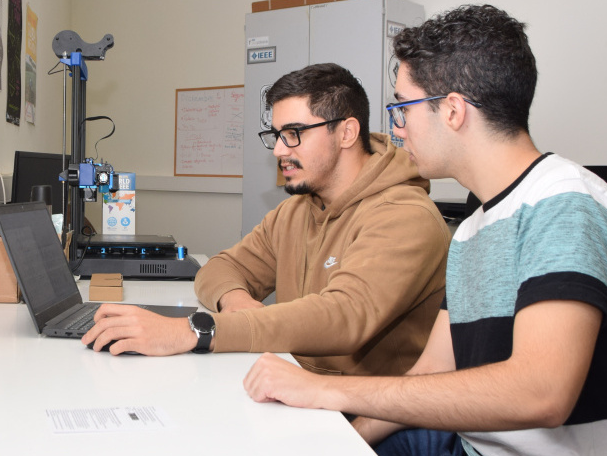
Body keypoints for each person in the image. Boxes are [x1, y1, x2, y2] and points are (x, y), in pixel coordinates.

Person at [242, 5, 607, 456]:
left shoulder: (565, 204)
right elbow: (431, 373)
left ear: (452, 110)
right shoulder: (475, 227)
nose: (395, 128)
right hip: (476, 448)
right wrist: (344, 440)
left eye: (401, 107)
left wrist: (329, 393)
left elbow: (541, 393)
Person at [83, 62, 450, 379]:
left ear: (347, 132)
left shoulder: (404, 216)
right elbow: (219, 268)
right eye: (276, 136)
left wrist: (196, 331)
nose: (278, 150)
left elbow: (344, 317)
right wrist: (235, 298)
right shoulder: (297, 210)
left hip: (364, 418)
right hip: (293, 385)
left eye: (293, 134)